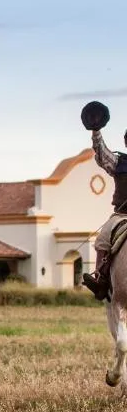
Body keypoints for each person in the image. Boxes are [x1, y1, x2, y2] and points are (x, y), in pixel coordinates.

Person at [81, 101, 127, 300]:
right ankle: (100, 279)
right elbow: (101, 154)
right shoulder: (119, 163)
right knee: (103, 238)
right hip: (123, 216)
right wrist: (96, 131)